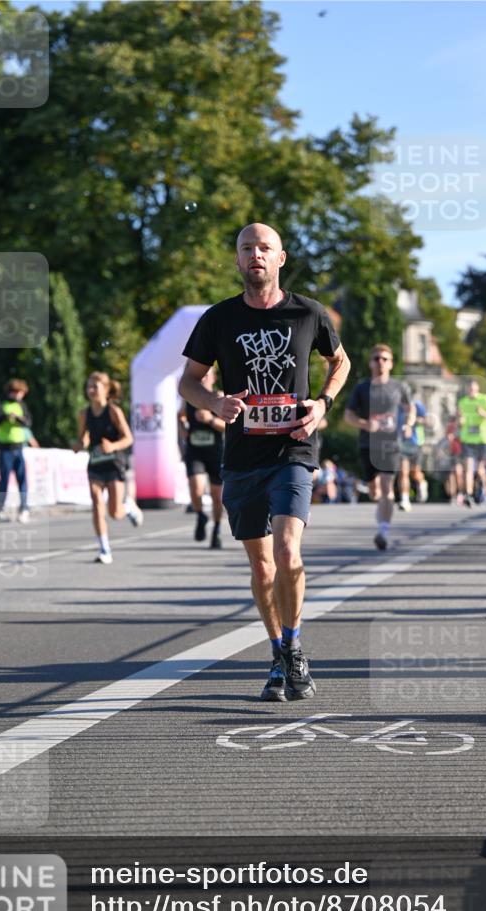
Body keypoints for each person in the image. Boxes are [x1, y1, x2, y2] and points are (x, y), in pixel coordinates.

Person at [179, 222, 350, 702]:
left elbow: (341, 362)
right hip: (242, 457)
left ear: (280, 258)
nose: (256, 254)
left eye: (264, 248)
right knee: (262, 568)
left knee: (288, 551)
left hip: (293, 449)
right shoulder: (218, 319)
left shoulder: (308, 313)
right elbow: (188, 381)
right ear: (237, 259)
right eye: (247, 248)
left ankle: (293, 649)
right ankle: (278, 653)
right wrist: (214, 403)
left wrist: (323, 405)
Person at [344, 345, 414, 550]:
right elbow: (348, 415)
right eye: (376, 359)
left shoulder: (399, 387)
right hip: (367, 444)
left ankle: (383, 531)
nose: (380, 362)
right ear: (370, 363)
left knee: (386, 488)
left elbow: (410, 409)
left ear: (391, 364)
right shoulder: (362, 388)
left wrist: (408, 425)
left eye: (385, 359)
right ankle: (381, 512)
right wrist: (365, 424)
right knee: (374, 492)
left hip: (390, 443)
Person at [74, 371, 143, 564]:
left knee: (114, 513)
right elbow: (83, 437)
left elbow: (128, 438)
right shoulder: (84, 414)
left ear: (105, 389)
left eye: (95, 386)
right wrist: (79, 444)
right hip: (95, 463)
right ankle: (104, 549)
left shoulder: (113, 411)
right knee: (97, 503)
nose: (91, 390)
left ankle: (127, 507)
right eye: (89, 386)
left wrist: (112, 446)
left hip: (114, 463)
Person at [180, 367, 225, 548]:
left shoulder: (220, 397)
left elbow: (229, 426)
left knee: (216, 495)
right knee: (196, 488)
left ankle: (217, 529)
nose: (204, 378)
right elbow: (180, 416)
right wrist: (183, 431)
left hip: (215, 452)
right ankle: (200, 516)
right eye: (202, 375)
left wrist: (210, 420)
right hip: (195, 451)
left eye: (207, 375)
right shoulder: (190, 399)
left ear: (213, 378)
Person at [0, 379, 32, 523]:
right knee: (4, 480)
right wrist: (5, 417)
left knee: (22, 479)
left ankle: (24, 508)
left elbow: (28, 422)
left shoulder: (21, 405)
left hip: (19, 446)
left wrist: (18, 418)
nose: (20, 396)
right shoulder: (1, 404)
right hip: (5, 447)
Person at [457, 379, 486, 507]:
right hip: (467, 439)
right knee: (468, 468)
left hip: (482, 440)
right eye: (470, 389)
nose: (471, 392)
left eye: (474, 389)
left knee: (480, 470)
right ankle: (468, 495)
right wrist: (460, 421)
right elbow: (459, 418)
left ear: (477, 389)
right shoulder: (462, 402)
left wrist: (483, 413)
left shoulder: (485, 400)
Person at [397, 396, 428, 511]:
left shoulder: (417, 404)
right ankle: (405, 500)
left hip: (415, 442)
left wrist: (414, 421)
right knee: (403, 472)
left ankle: (422, 482)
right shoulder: (394, 405)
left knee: (415, 473)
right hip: (400, 443)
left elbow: (426, 421)